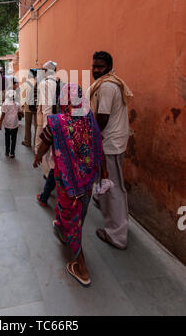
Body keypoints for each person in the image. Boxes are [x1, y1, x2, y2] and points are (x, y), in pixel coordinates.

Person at [34, 84, 103, 286]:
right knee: (79, 215)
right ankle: (65, 230)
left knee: (73, 221)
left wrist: (37, 157)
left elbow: (45, 142)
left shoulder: (58, 122)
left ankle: (81, 267)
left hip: (67, 184)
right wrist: (102, 171)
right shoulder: (89, 120)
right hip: (87, 180)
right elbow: (99, 143)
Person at [90, 51, 133, 250]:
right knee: (109, 185)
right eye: (94, 66)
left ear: (108, 67)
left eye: (100, 66)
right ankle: (108, 209)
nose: (96, 70)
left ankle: (117, 235)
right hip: (115, 142)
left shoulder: (106, 86)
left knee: (113, 187)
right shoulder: (112, 82)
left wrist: (91, 137)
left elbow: (103, 117)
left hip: (110, 144)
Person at [35, 60, 60, 206]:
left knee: (45, 153)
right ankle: (52, 177)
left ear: (46, 71)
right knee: (54, 154)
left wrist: (45, 125)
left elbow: (45, 107)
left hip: (47, 121)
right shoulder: (59, 83)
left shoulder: (44, 84)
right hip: (58, 121)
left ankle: (47, 175)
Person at [0, 89, 23, 158]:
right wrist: (21, 111)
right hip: (14, 124)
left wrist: (0, 124)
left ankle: (7, 151)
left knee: (7, 138)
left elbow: (3, 114)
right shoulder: (17, 104)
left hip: (7, 124)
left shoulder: (4, 104)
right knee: (14, 138)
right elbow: (21, 113)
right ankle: (12, 152)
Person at [21, 69, 37, 148]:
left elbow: (23, 95)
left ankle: (27, 141)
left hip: (28, 107)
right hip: (36, 106)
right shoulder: (38, 82)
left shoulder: (26, 83)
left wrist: (22, 106)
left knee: (27, 125)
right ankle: (36, 142)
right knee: (37, 126)